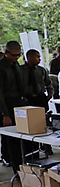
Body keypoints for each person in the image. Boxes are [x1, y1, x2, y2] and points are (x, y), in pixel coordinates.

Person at [0, 41, 37, 170]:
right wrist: (4, 113)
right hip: (6, 104)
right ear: (6, 53)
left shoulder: (16, 65)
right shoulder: (1, 67)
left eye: (18, 55)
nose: (16, 58)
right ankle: (15, 166)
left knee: (23, 135)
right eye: (14, 55)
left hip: (20, 103)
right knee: (11, 139)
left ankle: (24, 164)